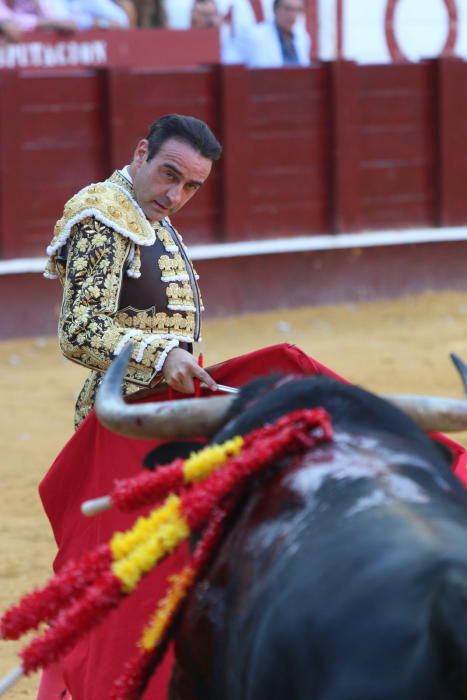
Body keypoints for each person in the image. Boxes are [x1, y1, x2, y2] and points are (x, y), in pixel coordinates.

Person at [44, 114, 222, 429]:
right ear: (141, 154)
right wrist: (163, 356)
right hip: (123, 415)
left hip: (154, 408)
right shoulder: (105, 214)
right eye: (169, 175)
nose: (175, 196)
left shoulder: (144, 211)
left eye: (191, 186)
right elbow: (79, 329)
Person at [237, 0, 310, 68]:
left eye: (297, 10)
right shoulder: (254, 35)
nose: (292, 15)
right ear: (275, 9)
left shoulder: (303, 38)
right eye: (288, 9)